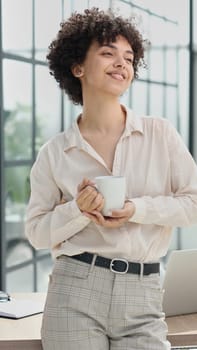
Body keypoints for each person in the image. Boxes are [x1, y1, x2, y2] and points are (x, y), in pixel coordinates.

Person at [25, 7, 197, 350]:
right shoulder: (55, 152)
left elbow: (193, 204)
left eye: (129, 57)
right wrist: (77, 210)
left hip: (143, 292)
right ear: (77, 67)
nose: (121, 63)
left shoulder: (160, 134)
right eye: (108, 53)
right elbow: (36, 232)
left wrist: (136, 209)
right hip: (73, 289)